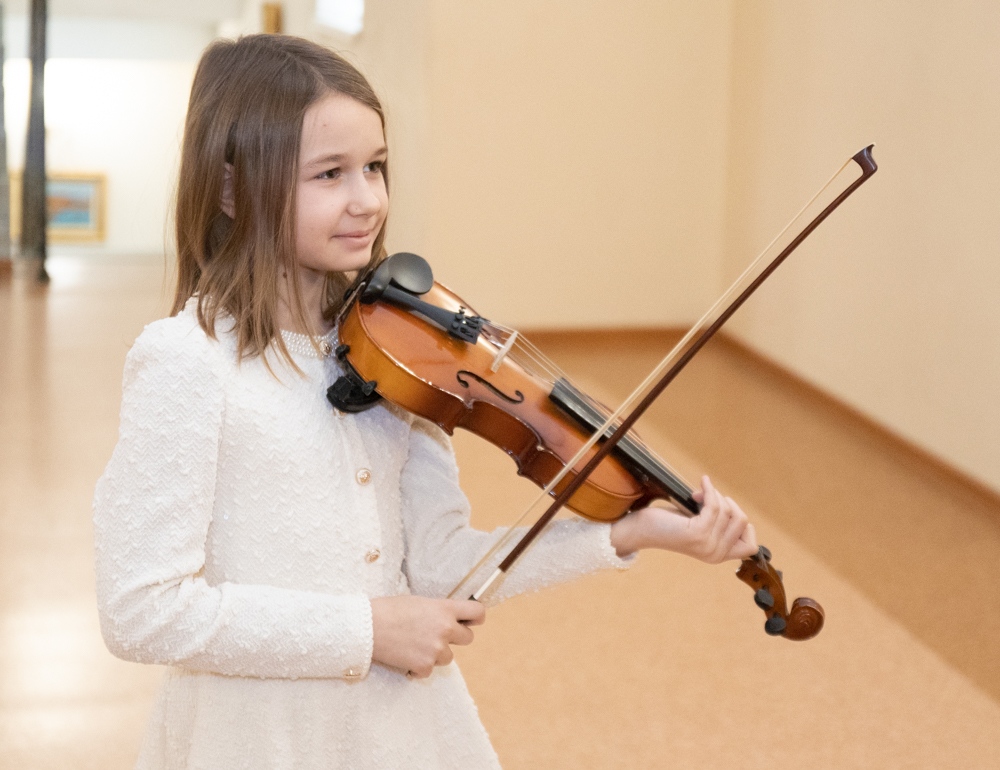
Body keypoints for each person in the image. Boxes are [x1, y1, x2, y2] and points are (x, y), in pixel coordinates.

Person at [93, 33, 757, 770]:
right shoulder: (186, 361)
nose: (368, 200)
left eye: (375, 167)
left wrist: (628, 533)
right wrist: (367, 631)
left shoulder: (401, 349)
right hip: (259, 739)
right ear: (230, 190)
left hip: (401, 730)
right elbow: (140, 611)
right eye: (330, 174)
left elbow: (440, 567)